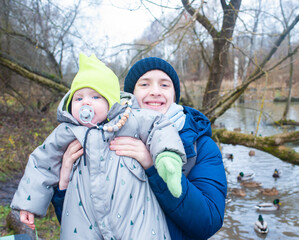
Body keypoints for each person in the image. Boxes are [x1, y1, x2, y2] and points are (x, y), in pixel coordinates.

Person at [11, 54, 187, 239]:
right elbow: (41, 163)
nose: (86, 103)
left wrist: (168, 155)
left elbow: (159, 127)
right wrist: (27, 203)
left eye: (95, 96)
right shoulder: (66, 132)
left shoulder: (130, 119)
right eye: (78, 98)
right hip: (83, 218)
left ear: (111, 102)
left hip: (134, 216)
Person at [52, 57, 228, 239]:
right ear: (130, 95)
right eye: (144, 84)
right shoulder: (100, 137)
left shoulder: (201, 146)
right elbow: (79, 224)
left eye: (165, 85)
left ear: (175, 95)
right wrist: (63, 185)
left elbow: (208, 221)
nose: (155, 92)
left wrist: (153, 168)